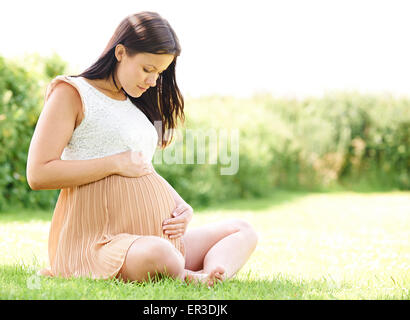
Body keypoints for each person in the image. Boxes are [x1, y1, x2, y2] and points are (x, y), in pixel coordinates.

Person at [26, 11, 258, 287]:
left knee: (242, 230)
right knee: (160, 255)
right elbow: (38, 174)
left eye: (159, 73)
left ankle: (213, 272)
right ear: (121, 52)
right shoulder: (72, 92)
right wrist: (114, 162)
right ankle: (185, 274)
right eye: (148, 69)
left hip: (157, 237)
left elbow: (140, 168)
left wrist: (179, 204)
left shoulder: (135, 104)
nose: (153, 81)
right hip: (102, 244)